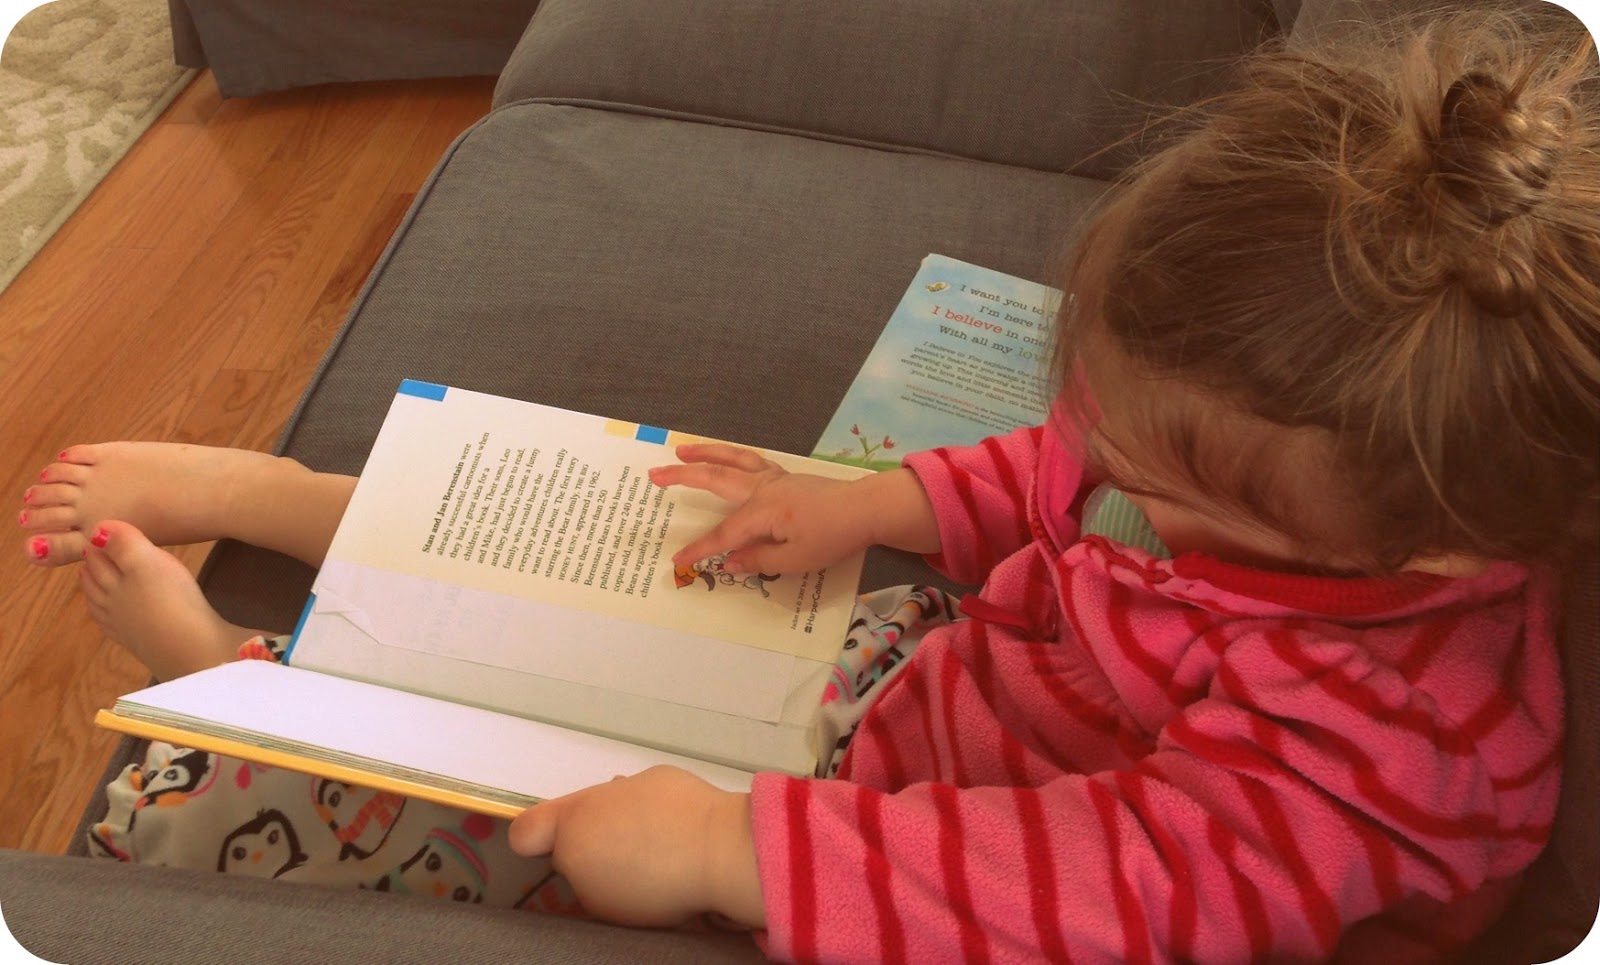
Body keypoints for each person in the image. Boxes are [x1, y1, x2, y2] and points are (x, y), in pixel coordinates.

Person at [19, 5, 1599, 960]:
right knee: (660, 543)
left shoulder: (1386, 751)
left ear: (1428, 557)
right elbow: (1075, 477)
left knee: (490, 820)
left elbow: (1097, 892)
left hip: (909, 851)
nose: (1099, 463)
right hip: (921, 686)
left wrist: (736, 854)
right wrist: (885, 508)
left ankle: (238, 692)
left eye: (1160, 472)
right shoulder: (1283, 474)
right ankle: (306, 499)